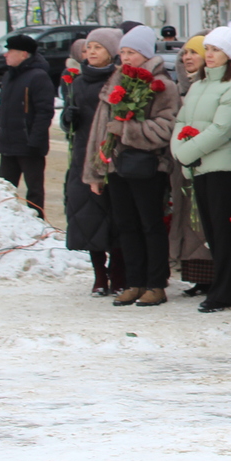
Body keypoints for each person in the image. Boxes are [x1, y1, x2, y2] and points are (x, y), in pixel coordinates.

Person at [82, 24, 182, 307]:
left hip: (147, 166)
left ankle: (155, 284)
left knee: (150, 224)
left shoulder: (162, 85)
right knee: (126, 225)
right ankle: (134, 281)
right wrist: (95, 171)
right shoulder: (116, 80)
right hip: (116, 166)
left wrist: (127, 130)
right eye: (123, 52)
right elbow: (100, 130)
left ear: (145, 54)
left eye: (132, 52)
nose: (126, 57)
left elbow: (165, 128)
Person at [170, 26, 231, 312]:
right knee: (211, 232)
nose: (209, 55)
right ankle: (230, 286)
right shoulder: (198, 86)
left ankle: (227, 291)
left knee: (225, 233)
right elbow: (179, 122)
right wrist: (181, 153)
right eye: (207, 49)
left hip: (224, 168)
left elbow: (223, 128)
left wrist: (187, 152)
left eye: (216, 50)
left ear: (230, 55)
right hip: (199, 166)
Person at [63, 29, 120, 294]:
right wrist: (68, 119)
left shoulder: (119, 79)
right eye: (89, 47)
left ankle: (118, 272)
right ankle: (99, 275)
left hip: (111, 156)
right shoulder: (77, 82)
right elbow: (68, 123)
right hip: (81, 158)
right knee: (88, 217)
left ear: (111, 51)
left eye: (98, 47)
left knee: (117, 217)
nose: (92, 52)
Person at [0, 32, 54, 218]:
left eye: (10, 51)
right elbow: (3, 110)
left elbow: (45, 112)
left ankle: (37, 225)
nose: (5, 54)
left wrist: (35, 140)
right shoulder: (8, 76)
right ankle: (7, 223)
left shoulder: (38, 77)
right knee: (4, 190)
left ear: (24, 54)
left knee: (34, 192)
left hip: (29, 147)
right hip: (8, 145)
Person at [171, 35, 213, 292]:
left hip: (204, 159)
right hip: (183, 161)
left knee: (203, 221)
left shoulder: (209, 87)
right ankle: (197, 275)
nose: (187, 58)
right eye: (185, 53)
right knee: (189, 219)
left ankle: (211, 276)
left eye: (194, 53)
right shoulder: (182, 87)